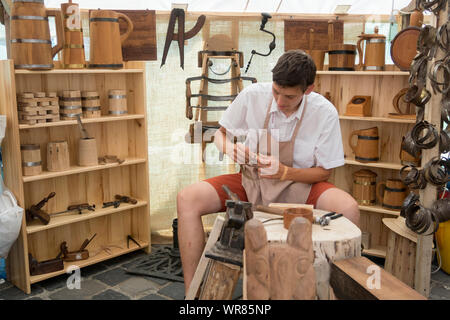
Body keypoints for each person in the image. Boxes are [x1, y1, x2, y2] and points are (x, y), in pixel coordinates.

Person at [177, 50, 360, 294]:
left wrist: (285, 172)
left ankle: (336, 291)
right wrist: (231, 149)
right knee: (187, 198)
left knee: (349, 208)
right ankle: (193, 293)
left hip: (299, 187)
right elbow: (219, 134)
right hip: (252, 183)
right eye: (276, 92)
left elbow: (323, 173)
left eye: (289, 96)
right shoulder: (253, 95)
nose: (280, 101)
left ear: (309, 90)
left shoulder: (324, 112)